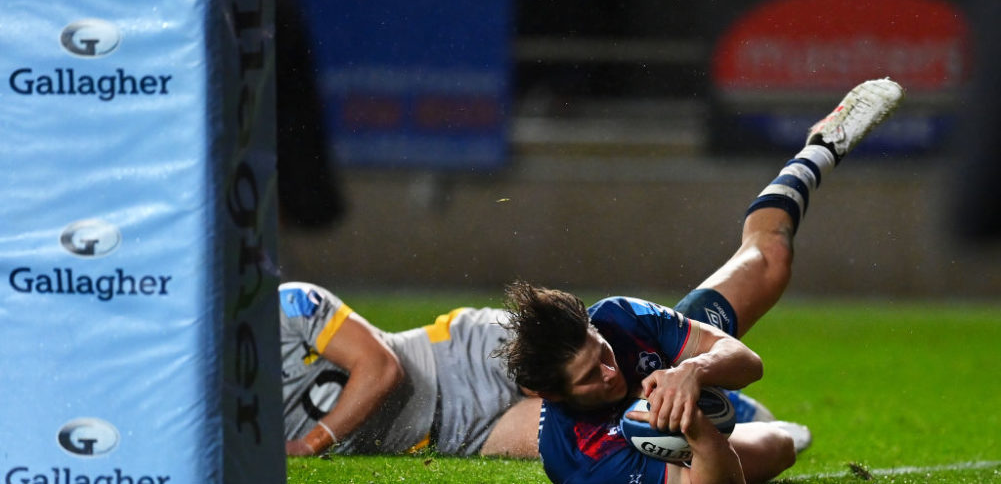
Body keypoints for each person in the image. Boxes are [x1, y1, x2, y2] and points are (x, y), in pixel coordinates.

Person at [495, 78, 905, 484]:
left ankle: (820, 146)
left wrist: (694, 370)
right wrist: (696, 430)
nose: (610, 371)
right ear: (552, 395)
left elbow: (749, 363)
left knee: (771, 258)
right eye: (588, 377)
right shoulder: (581, 459)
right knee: (779, 446)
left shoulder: (616, 319)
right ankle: (733, 417)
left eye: (601, 353)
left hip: (673, 361)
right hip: (669, 449)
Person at [279, 281, 540, 458]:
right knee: (568, 437)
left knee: (570, 367)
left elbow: (381, 369)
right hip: (464, 436)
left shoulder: (286, 304)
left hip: (465, 361)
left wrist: (310, 443)